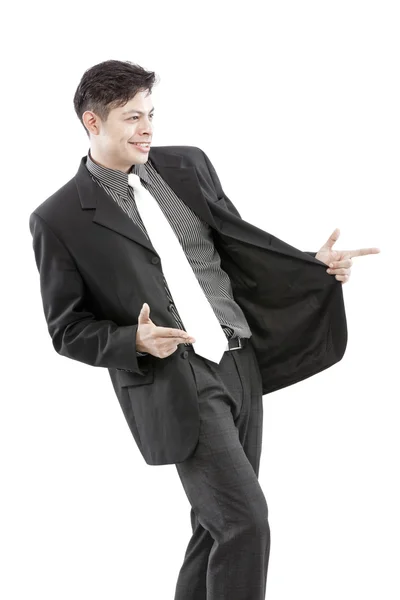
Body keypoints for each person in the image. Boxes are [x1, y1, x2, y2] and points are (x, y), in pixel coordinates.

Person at [28, 59, 380, 600]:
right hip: (175, 377)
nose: (147, 128)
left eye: (150, 114)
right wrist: (133, 340)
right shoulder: (59, 218)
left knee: (215, 525)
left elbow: (235, 250)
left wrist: (312, 264)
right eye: (131, 118)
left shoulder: (189, 166)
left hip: (240, 360)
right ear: (92, 123)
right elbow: (66, 327)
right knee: (246, 522)